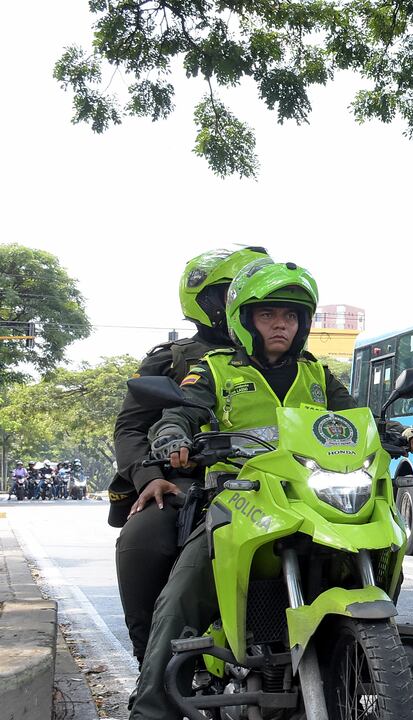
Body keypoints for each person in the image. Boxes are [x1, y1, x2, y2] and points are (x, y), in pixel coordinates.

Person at [129, 261, 413, 720]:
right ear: (244, 320)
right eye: (269, 315)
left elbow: (356, 419)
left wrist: (400, 433)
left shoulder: (316, 375)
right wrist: (172, 438)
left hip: (311, 495)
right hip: (241, 493)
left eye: (290, 317)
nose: (281, 325)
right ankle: (151, 707)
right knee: (184, 592)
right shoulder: (213, 370)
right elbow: (180, 414)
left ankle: (359, 659)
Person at [111, 246, 270, 670]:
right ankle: (153, 665)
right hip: (187, 480)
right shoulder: (175, 358)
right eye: (231, 291)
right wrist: (147, 476)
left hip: (279, 479)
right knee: (142, 537)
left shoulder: (294, 361)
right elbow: (129, 428)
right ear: (209, 301)